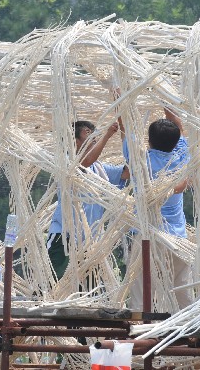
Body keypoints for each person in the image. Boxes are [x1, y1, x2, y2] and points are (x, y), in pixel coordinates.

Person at [120, 104, 192, 310]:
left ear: (149, 141)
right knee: (180, 287)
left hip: (147, 236)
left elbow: (125, 125)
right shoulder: (181, 156)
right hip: (177, 238)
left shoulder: (141, 161)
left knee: (142, 289)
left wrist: (120, 99)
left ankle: (141, 331)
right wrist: (165, 100)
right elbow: (179, 127)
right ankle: (187, 328)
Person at [47, 120, 129, 280]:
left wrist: (126, 135)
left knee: (88, 289)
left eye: (94, 134)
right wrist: (107, 135)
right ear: (74, 141)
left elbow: (128, 173)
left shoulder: (99, 169)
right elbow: (84, 162)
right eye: (87, 133)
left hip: (91, 241)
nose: (93, 138)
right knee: (54, 283)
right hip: (64, 236)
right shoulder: (66, 163)